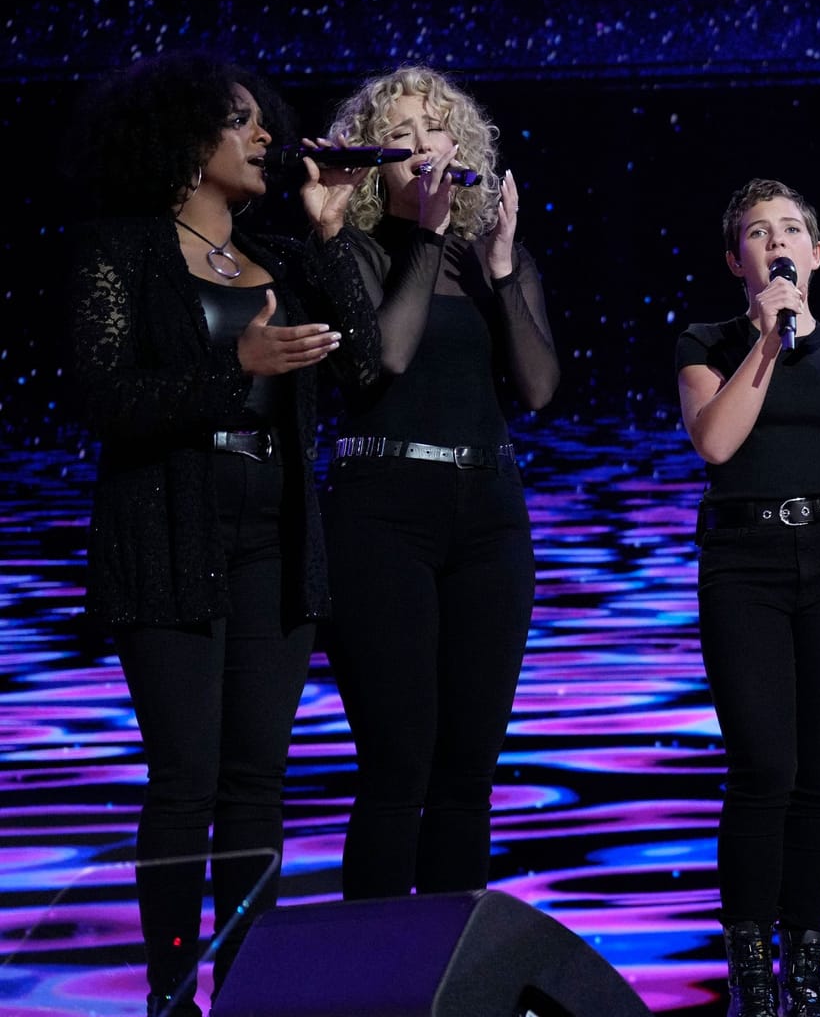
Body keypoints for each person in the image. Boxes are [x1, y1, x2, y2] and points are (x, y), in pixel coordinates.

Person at [65, 51, 381, 1016]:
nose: (264, 138)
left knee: (257, 783)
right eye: (239, 120)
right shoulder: (119, 250)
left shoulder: (279, 260)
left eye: (263, 120)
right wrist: (230, 365)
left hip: (274, 534)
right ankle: (172, 989)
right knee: (186, 779)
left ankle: (247, 989)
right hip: (166, 530)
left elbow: (367, 364)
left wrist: (327, 234)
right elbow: (102, 396)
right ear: (184, 140)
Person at [675, 178, 820, 1017]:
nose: (774, 243)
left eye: (789, 230)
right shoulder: (706, 343)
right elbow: (716, 440)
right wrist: (769, 346)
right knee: (763, 766)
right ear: (737, 259)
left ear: (815, 253)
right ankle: (749, 974)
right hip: (745, 567)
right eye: (755, 232)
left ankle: (806, 978)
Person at [320, 66, 559, 900]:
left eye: (436, 131)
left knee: (467, 772)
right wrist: (423, 237)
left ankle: (458, 984)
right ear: (373, 159)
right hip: (382, 514)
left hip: (489, 517)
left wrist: (496, 271)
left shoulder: (497, 257)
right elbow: (382, 359)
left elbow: (537, 390)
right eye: (403, 136)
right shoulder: (350, 250)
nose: (423, 149)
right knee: (398, 764)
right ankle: (376, 982)